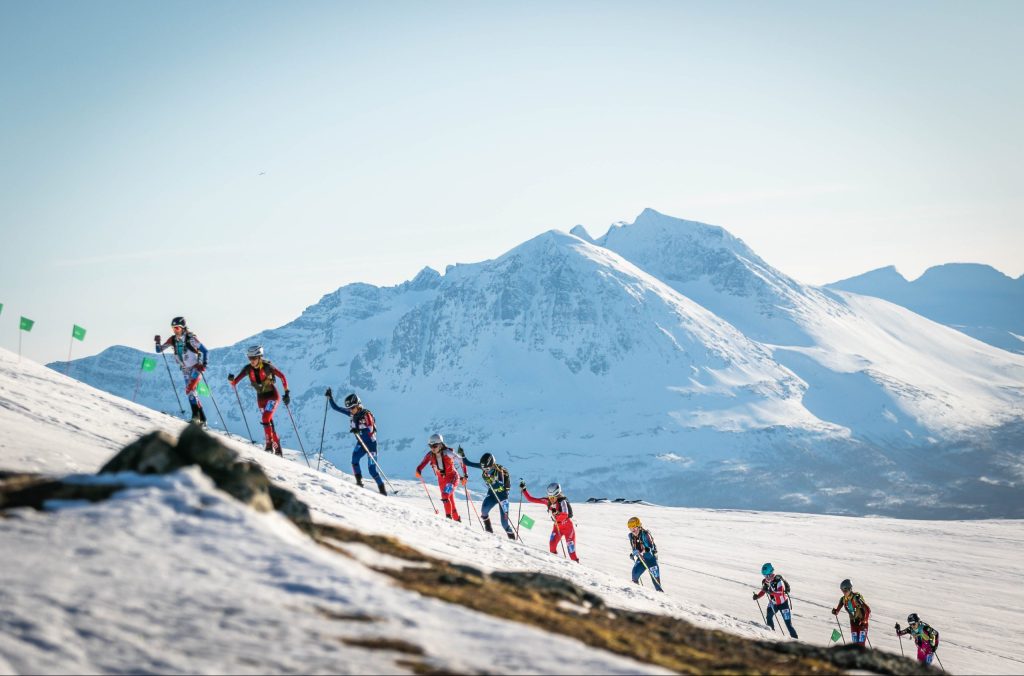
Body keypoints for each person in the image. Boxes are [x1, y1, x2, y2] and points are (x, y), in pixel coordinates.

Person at [228, 345, 289, 456]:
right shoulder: (247, 369)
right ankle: (278, 449)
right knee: (268, 422)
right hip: (260, 399)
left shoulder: (267, 367)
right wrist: (231, 380)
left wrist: (287, 393)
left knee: (265, 418)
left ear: (259, 357)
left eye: (254, 358)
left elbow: (282, 376)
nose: (251, 360)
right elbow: (234, 383)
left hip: (272, 396)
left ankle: (269, 446)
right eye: (249, 358)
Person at [326, 389, 386, 495]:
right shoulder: (351, 413)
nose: (351, 410)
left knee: (372, 470)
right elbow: (336, 408)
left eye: (353, 407)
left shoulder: (367, 415)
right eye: (349, 408)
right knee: (354, 460)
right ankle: (359, 482)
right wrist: (330, 398)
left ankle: (382, 490)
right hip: (361, 443)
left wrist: (359, 430)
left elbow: (370, 429)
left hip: (371, 445)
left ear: (358, 405)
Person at [155, 316, 209, 426]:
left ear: (183, 328)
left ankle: (195, 418)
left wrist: (204, 365)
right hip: (185, 370)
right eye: (173, 328)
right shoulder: (173, 339)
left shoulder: (191, 338)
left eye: (177, 328)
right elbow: (159, 350)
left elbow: (205, 351)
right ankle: (202, 419)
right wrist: (157, 342)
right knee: (192, 393)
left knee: (189, 390)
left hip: (195, 368)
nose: (175, 330)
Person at [458, 448, 514, 539]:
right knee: (484, 511)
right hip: (492, 494)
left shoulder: (500, 471)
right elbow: (467, 463)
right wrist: (462, 454)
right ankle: (488, 529)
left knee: (504, 524)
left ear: (492, 465)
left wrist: (491, 479)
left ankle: (513, 541)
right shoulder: (484, 467)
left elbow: (501, 485)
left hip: (502, 497)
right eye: (483, 468)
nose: (485, 471)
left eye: (487, 469)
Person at [520, 480, 579, 562]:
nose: (551, 499)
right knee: (552, 546)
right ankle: (556, 564)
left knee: (571, 552)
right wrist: (524, 490)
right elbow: (531, 499)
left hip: (568, 527)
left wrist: (557, 513)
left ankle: (577, 567)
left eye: (553, 497)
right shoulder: (547, 501)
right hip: (557, 527)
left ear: (558, 495)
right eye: (549, 497)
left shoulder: (563, 502)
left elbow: (565, 514)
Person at [416, 433, 466, 520]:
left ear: (440, 444)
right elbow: (421, 464)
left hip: (452, 478)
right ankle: (457, 521)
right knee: (450, 500)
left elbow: (462, 461)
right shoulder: (430, 455)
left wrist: (465, 475)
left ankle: (448, 521)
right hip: (441, 480)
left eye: (434, 446)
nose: (432, 448)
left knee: (445, 495)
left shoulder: (448, 453)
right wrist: (418, 470)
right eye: (430, 446)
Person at [752, 562, 797, 638]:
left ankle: (795, 640)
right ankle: (771, 633)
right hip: (774, 603)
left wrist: (771, 592)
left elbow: (780, 593)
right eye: (764, 575)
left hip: (783, 604)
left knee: (788, 624)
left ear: (771, 573)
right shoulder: (766, 581)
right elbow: (763, 591)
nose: (766, 577)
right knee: (769, 616)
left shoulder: (779, 581)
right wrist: (757, 596)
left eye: (767, 575)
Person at [628, 517, 662, 592]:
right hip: (641, 559)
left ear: (639, 526)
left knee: (656, 582)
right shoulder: (631, 537)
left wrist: (647, 550)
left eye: (634, 528)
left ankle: (661, 598)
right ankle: (637, 592)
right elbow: (635, 548)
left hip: (651, 558)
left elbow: (652, 546)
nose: (633, 530)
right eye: (631, 528)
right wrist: (633, 554)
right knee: (635, 574)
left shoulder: (645, 534)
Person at [832, 578, 871, 645]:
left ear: (850, 589)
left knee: (861, 644)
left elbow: (867, 609)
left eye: (845, 591)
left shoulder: (856, 597)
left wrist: (864, 620)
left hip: (862, 623)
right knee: (855, 644)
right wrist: (836, 611)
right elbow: (841, 604)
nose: (844, 593)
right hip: (853, 622)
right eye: (843, 591)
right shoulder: (844, 599)